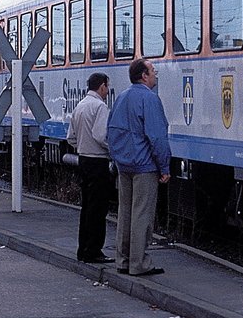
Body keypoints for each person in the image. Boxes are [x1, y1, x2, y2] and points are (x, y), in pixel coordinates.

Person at [107, 58, 171, 276]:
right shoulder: (150, 99)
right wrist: (164, 167)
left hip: (124, 165)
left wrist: (117, 158)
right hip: (144, 166)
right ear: (144, 75)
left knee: (124, 214)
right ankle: (139, 263)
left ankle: (122, 260)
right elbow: (157, 137)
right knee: (142, 215)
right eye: (153, 71)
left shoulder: (122, 98)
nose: (155, 75)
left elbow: (111, 130)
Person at [67, 72, 114, 263]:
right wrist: (114, 151)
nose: (107, 91)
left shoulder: (80, 106)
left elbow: (70, 137)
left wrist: (82, 146)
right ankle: (94, 250)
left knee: (86, 207)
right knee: (98, 209)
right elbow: (101, 135)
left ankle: (83, 249)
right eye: (107, 87)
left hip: (83, 160)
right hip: (98, 162)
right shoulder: (100, 107)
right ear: (102, 86)